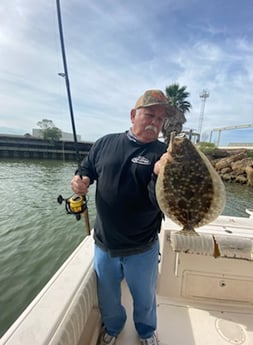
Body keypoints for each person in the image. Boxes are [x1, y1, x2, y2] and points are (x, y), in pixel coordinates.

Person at [71, 89, 170, 345]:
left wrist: (160, 174)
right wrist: (81, 179)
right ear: (133, 114)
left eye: (160, 119)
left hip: (143, 246)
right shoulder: (105, 143)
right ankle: (114, 327)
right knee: (108, 298)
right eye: (150, 114)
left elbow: (158, 201)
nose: (155, 123)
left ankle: (146, 332)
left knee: (145, 298)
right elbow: (87, 167)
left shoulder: (165, 154)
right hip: (105, 244)